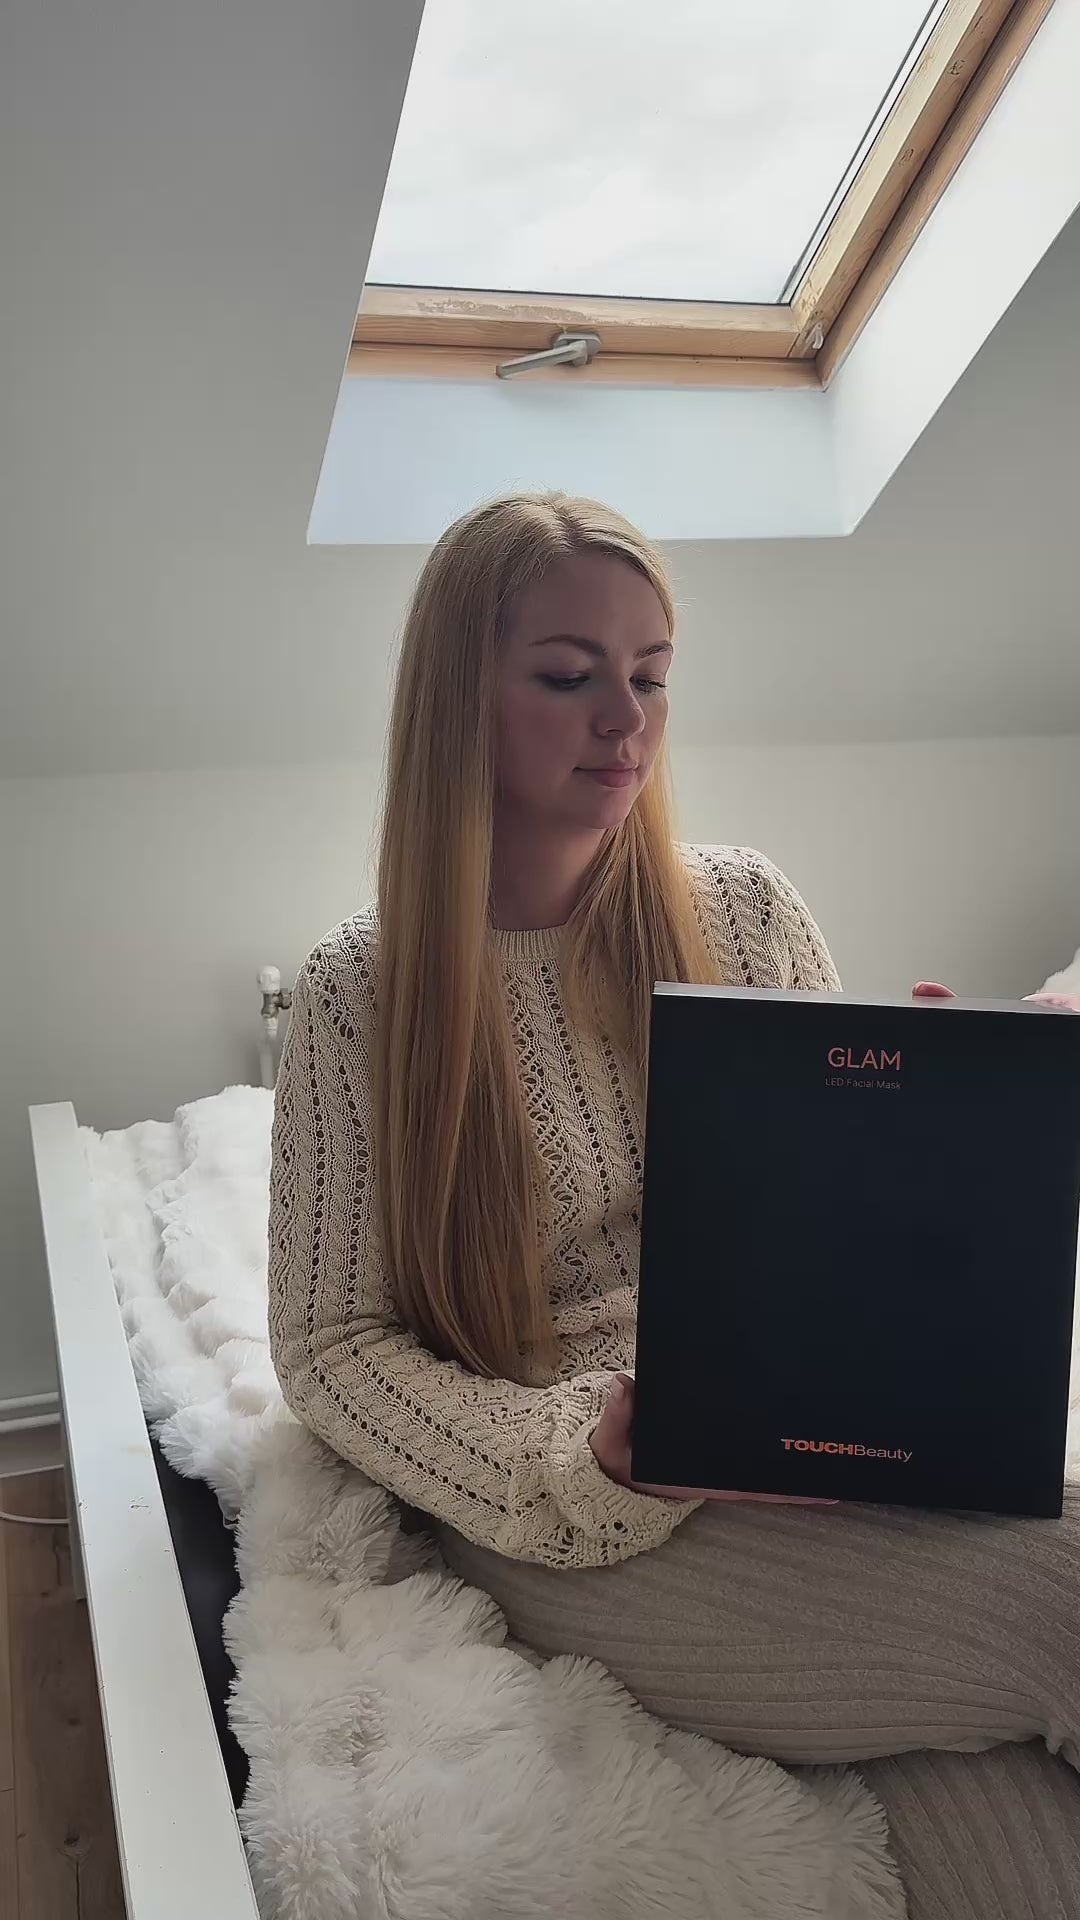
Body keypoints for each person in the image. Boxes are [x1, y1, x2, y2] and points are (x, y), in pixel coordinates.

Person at [269, 492, 1080, 1918]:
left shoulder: (743, 908)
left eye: (650, 677)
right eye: (568, 676)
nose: (624, 722)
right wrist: (580, 1458)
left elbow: (843, 1231)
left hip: (833, 1434)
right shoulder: (363, 990)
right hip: (591, 1506)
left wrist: (941, 1135)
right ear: (459, 696)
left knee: (1020, 1846)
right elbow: (330, 1348)